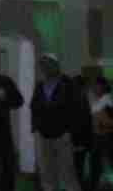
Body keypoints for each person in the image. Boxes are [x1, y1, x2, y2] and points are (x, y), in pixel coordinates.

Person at [28, 54, 85, 191]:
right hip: (42, 133)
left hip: (63, 133)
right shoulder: (40, 86)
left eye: (45, 66)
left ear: (53, 67)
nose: (42, 69)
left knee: (67, 172)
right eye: (41, 66)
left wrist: (72, 131)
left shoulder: (68, 84)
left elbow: (77, 109)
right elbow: (33, 106)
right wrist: (35, 128)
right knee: (46, 172)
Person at [0, 59, 25, 191]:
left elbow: (19, 101)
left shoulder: (4, 81)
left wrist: (6, 97)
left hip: (2, 133)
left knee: (5, 166)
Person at [84, 75, 113, 191]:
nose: (97, 88)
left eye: (99, 86)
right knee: (97, 162)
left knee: (103, 161)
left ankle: (100, 183)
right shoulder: (95, 97)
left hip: (105, 135)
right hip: (97, 135)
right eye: (95, 86)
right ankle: (97, 183)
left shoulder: (106, 99)